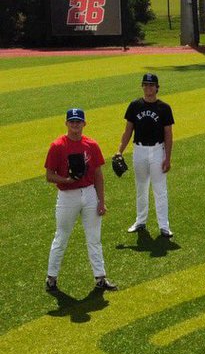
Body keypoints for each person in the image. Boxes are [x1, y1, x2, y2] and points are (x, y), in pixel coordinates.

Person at [45, 108, 117, 294]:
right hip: (67, 196)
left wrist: (101, 201)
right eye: (72, 122)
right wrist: (66, 181)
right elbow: (49, 175)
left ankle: (100, 277)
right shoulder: (57, 146)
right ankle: (51, 277)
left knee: (94, 238)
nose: (75, 125)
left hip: (89, 193)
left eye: (78, 122)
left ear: (84, 123)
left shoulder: (91, 145)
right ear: (66, 123)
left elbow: (98, 175)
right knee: (61, 237)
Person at [118, 72, 174, 238]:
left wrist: (168, 157)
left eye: (151, 85)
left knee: (160, 189)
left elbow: (168, 134)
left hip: (158, 150)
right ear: (142, 86)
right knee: (141, 187)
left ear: (157, 88)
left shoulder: (164, 108)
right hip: (139, 150)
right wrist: (119, 150)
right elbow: (128, 131)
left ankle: (164, 226)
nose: (148, 88)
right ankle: (140, 221)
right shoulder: (135, 106)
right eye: (145, 85)